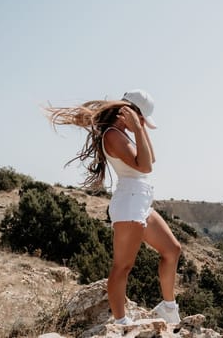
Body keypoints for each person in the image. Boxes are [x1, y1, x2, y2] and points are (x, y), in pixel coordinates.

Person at [47, 90, 182, 325]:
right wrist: (138, 129)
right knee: (122, 266)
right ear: (128, 113)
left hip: (139, 201)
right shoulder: (112, 135)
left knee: (172, 250)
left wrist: (139, 128)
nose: (141, 125)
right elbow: (145, 166)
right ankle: (120, 322)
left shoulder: (123, 133)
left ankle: (168, 308)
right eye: (141, 119)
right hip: (130, 203)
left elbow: (152, 158)